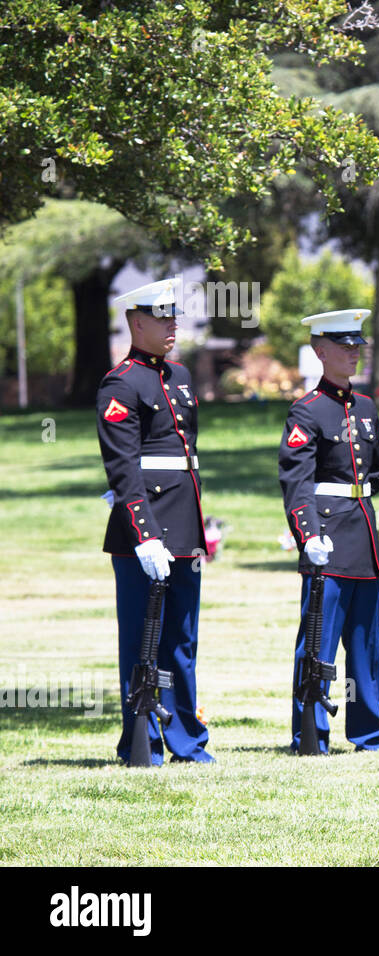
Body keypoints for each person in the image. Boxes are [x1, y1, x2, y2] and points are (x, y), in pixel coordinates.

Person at [97, 277, 214, 765]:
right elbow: (124, 467)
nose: (171, 327)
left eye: (175, 318)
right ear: (136, 322)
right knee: (142, 640)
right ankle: (141, 740)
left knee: (182, 640)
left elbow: (185, 457)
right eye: (162, 319)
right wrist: (145, 535)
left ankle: (186, 738)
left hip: (183, 525)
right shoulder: (121, 383)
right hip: (143, 533)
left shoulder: (179, 377)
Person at [279, 309, 379, 752]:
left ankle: (369, 730)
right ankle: (310, 730)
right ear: (319, 351)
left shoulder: (365, 407)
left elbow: (376, 471)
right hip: (325, 534)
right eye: (344, 347)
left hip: (362, 533)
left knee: (366, 642)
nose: (354, 353)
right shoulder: (306, 411)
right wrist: (308, 533)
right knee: (317, 640)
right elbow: (296, 480)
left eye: (357, 345)